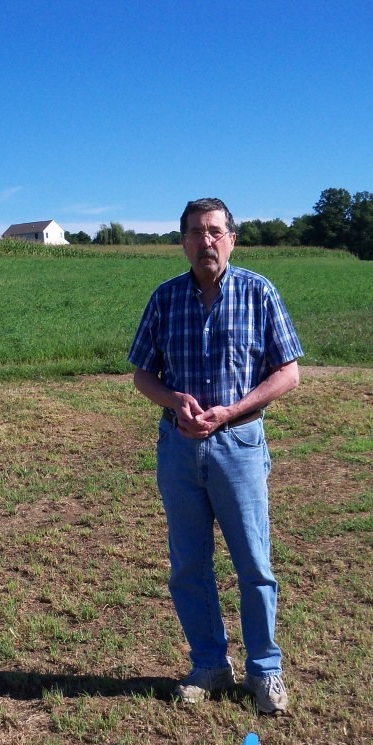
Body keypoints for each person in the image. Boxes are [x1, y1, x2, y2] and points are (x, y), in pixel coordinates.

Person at [128, 197, 303, 715]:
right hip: (179, 449)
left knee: (254, 564)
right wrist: (173, 400)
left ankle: (265, 671)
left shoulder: (259, 292)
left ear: (231, 239)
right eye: (195, 232)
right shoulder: (165, 299)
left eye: (214, 231)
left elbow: (288, 373)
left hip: (239, 446)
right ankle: (209, 664)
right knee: (188, 565)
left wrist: (233, 411)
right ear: (183, 242)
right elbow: (142, 374)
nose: (206, 241)